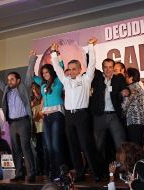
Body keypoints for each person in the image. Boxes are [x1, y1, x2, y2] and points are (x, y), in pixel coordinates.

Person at [51, 38, 102, 182]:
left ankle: (95, 172)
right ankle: (79, 173)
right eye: (70, 69)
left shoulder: (86, 79)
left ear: (80, 69)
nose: (72, 71)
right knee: (73, 146)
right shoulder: (66, 81)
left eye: (75, 69)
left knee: (86, 145)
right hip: (69, 117)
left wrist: (91, 47)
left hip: (82, 116)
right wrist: (54, 53)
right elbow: (57, 69)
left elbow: (92, 64)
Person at [0, 58, 35, 183]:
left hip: (23, 122)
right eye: (8, 79)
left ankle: (31, 174)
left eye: (12, 79)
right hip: (12, 123)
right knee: (15, 149)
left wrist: (32, 60)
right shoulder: (7, 90)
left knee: (25, 147)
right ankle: (19, 173)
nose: (9, 81)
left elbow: (29, 74)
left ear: (18, 80)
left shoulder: (23, 87)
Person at [30, 50, 67, 180]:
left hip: (57, 115)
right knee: (49, 147)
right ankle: (54, 172)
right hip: (46, 117)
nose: (45, 74)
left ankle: (61, 172)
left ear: (51, 71)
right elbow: (30, 75)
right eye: (43, 72)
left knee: (56, 145)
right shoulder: (42, 84)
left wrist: (57, 54)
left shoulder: (58, 81)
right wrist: (32, 58)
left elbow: (61, 67)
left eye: (47, 72)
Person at [89, 57, 129, 162]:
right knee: (98, 145)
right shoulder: (96, 78)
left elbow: (126, 89)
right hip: (99, 116)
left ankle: (123, 168)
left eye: (110, 67)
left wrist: (125, 91)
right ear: (102, 68)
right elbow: (91, 65)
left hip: (114, 116)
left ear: (113, 68)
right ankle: (100, 171)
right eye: (105, 67)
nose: (108, 69)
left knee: (120, 143)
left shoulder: (118, 79)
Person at [122, 68, 144, 145]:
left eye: (126, 76)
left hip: (134, 121)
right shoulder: (139, 87)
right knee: (141, 144)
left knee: (135, 146)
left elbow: (124, 106)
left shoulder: (130, 88)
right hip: (143, 121)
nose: (125, 77)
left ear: (131, 78)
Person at [30, 83, 49, 176]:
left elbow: (41, 115)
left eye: (36, 88)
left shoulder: (44, 98)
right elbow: (32, 116)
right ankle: (39, 170)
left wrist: (38, 115)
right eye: (33, 89)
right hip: (36, 129)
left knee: (45, 149)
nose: (34, 90)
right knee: (38, 150)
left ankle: (47, 170)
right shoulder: (32, 101)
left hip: (44, 127)